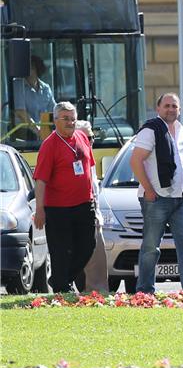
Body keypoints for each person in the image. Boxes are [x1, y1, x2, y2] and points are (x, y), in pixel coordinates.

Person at [130, 93, 183, 293]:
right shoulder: (150, 130)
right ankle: (144, 290)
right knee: (151, 247)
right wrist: (149, 190)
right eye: (166, 105)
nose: (171, 109)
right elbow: (135, 161)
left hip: (181, 198)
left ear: (180, 109)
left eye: (174, 106)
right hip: (156, 198)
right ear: (158, 108)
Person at [32, 102, 96, 292]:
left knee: (87, 246)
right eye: (65, 119)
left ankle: (61, 280)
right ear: (55, 121)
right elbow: (41, 180)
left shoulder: (82, 137)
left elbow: (89, 169)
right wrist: (39, 210)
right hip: (58, 208)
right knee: (61, 250)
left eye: (73, 118)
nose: (70, 122)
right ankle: (62, 286)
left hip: (85, 204)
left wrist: (94, 198)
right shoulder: (49, 145)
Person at [75, 120, 109, 294]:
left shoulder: (90, 158)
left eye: (92, 137)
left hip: (94, 216)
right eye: (86, 137)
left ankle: (95, 292)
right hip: (78, 216)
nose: (90, 141)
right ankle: (89, 292)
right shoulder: (74, 156)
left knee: (98, 261)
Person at [13, 55, 56, 132]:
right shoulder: (18, 85)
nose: (27, 70)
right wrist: (37, 130)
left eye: (31, 68)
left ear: (38, 69)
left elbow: (54, 110)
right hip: (22, 134)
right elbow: (20, 112)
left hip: (42, 132)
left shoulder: (46, 88)